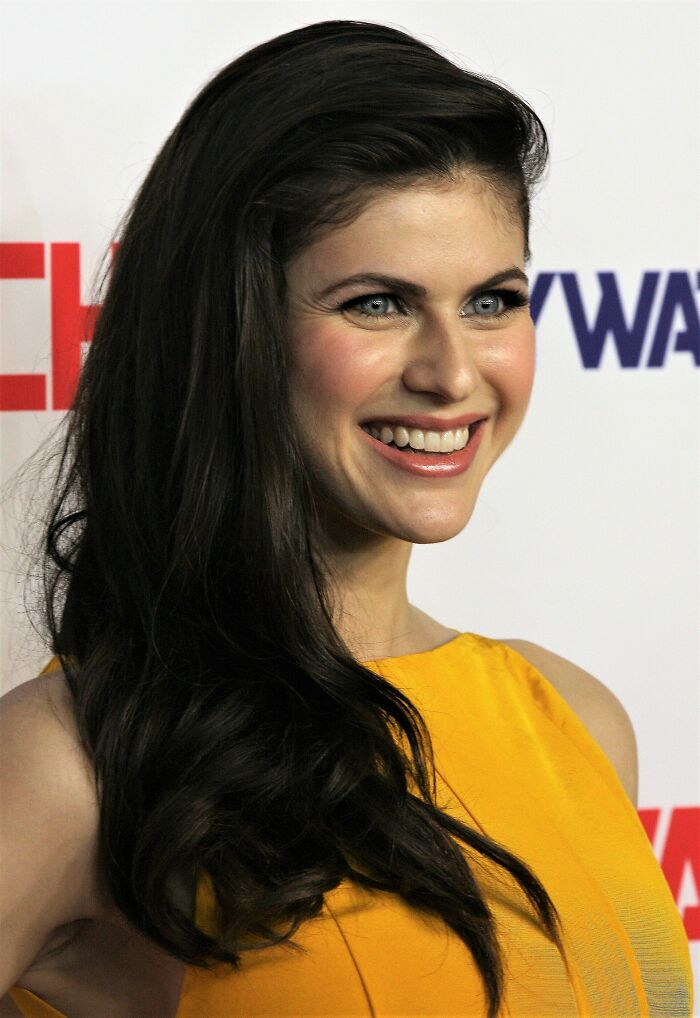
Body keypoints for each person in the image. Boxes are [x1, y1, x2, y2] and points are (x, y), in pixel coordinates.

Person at [0, 19, 692, 1018]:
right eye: (377, 304)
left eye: (493, 300)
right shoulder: (70, 768)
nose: (452, 373)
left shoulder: (577, 721)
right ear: (233, 328)